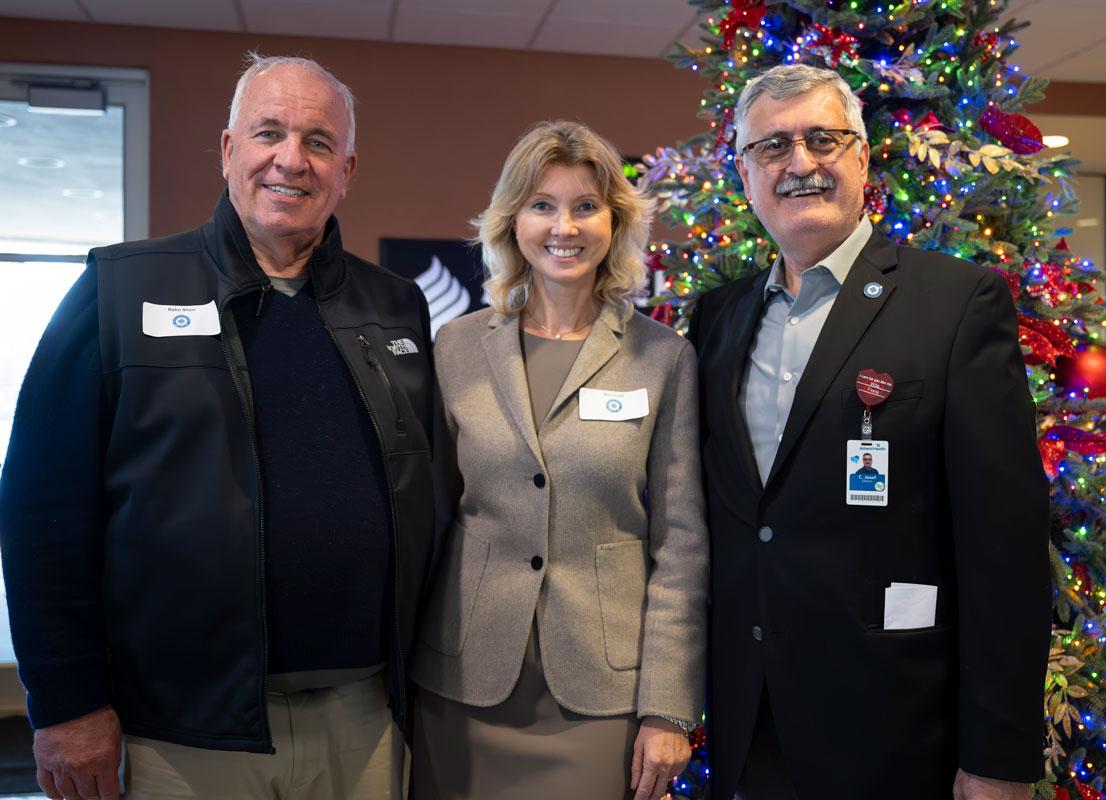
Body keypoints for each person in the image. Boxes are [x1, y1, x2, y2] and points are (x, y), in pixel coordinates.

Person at [0, 53, 443, 800]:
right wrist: (68, 704)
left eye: (318, 142)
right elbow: (41, 513)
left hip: (365, 718)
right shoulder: (118, 288)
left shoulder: (395, 306)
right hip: (183, 729)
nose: (291, 160)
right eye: (269, 133)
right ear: (228, 149)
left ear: (347, 169)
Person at [686, 64, 1050, 799]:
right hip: (747, 725)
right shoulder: (716, 318)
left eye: (823, 138)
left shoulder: (956, 303)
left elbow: (1004, 551)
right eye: (772, 148)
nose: (800, 164)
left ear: (860, 157)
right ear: (745, 174)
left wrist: (999, 756)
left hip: (894, 730)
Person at [409, 120, 707, 800]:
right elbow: (426, 516)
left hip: (600, 696)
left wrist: (667, 709)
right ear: (512, 221)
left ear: (616, 221)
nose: (563, 226)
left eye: (585, 206)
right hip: (463, 683)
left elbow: (682, 547)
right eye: (542, 205)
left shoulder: (664, 359)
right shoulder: (455, 349)